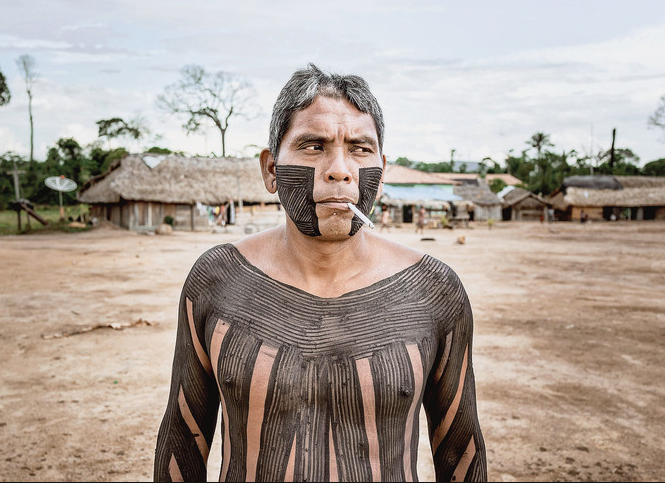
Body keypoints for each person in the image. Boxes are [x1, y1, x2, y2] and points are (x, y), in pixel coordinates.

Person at [154, 64, 486, 482]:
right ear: (271, 170)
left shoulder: (434, 291)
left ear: (380, 175)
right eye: (314, 146)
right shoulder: (217, 281)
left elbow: (460, 449)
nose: (340, 169)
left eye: (360, 149)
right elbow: (182, 439)